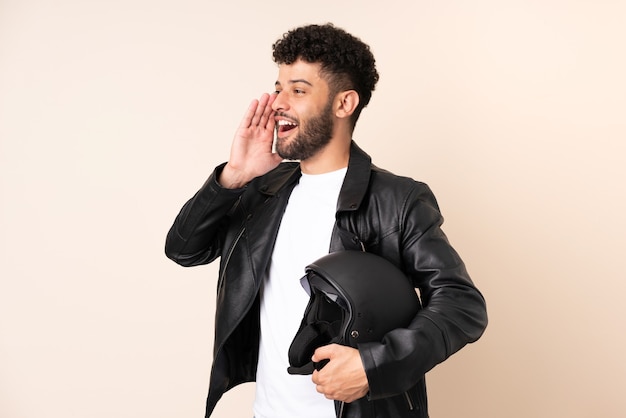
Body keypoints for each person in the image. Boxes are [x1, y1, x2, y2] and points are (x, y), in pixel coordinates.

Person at [165, 23, 487, 418]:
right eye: (278, 87)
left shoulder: (398, 200)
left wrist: (374, 365)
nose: (277, 101)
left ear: (344, 103)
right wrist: (234, 174)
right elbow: (183, 249)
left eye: (298, 90)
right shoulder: (261, 191)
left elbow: (461, 303)